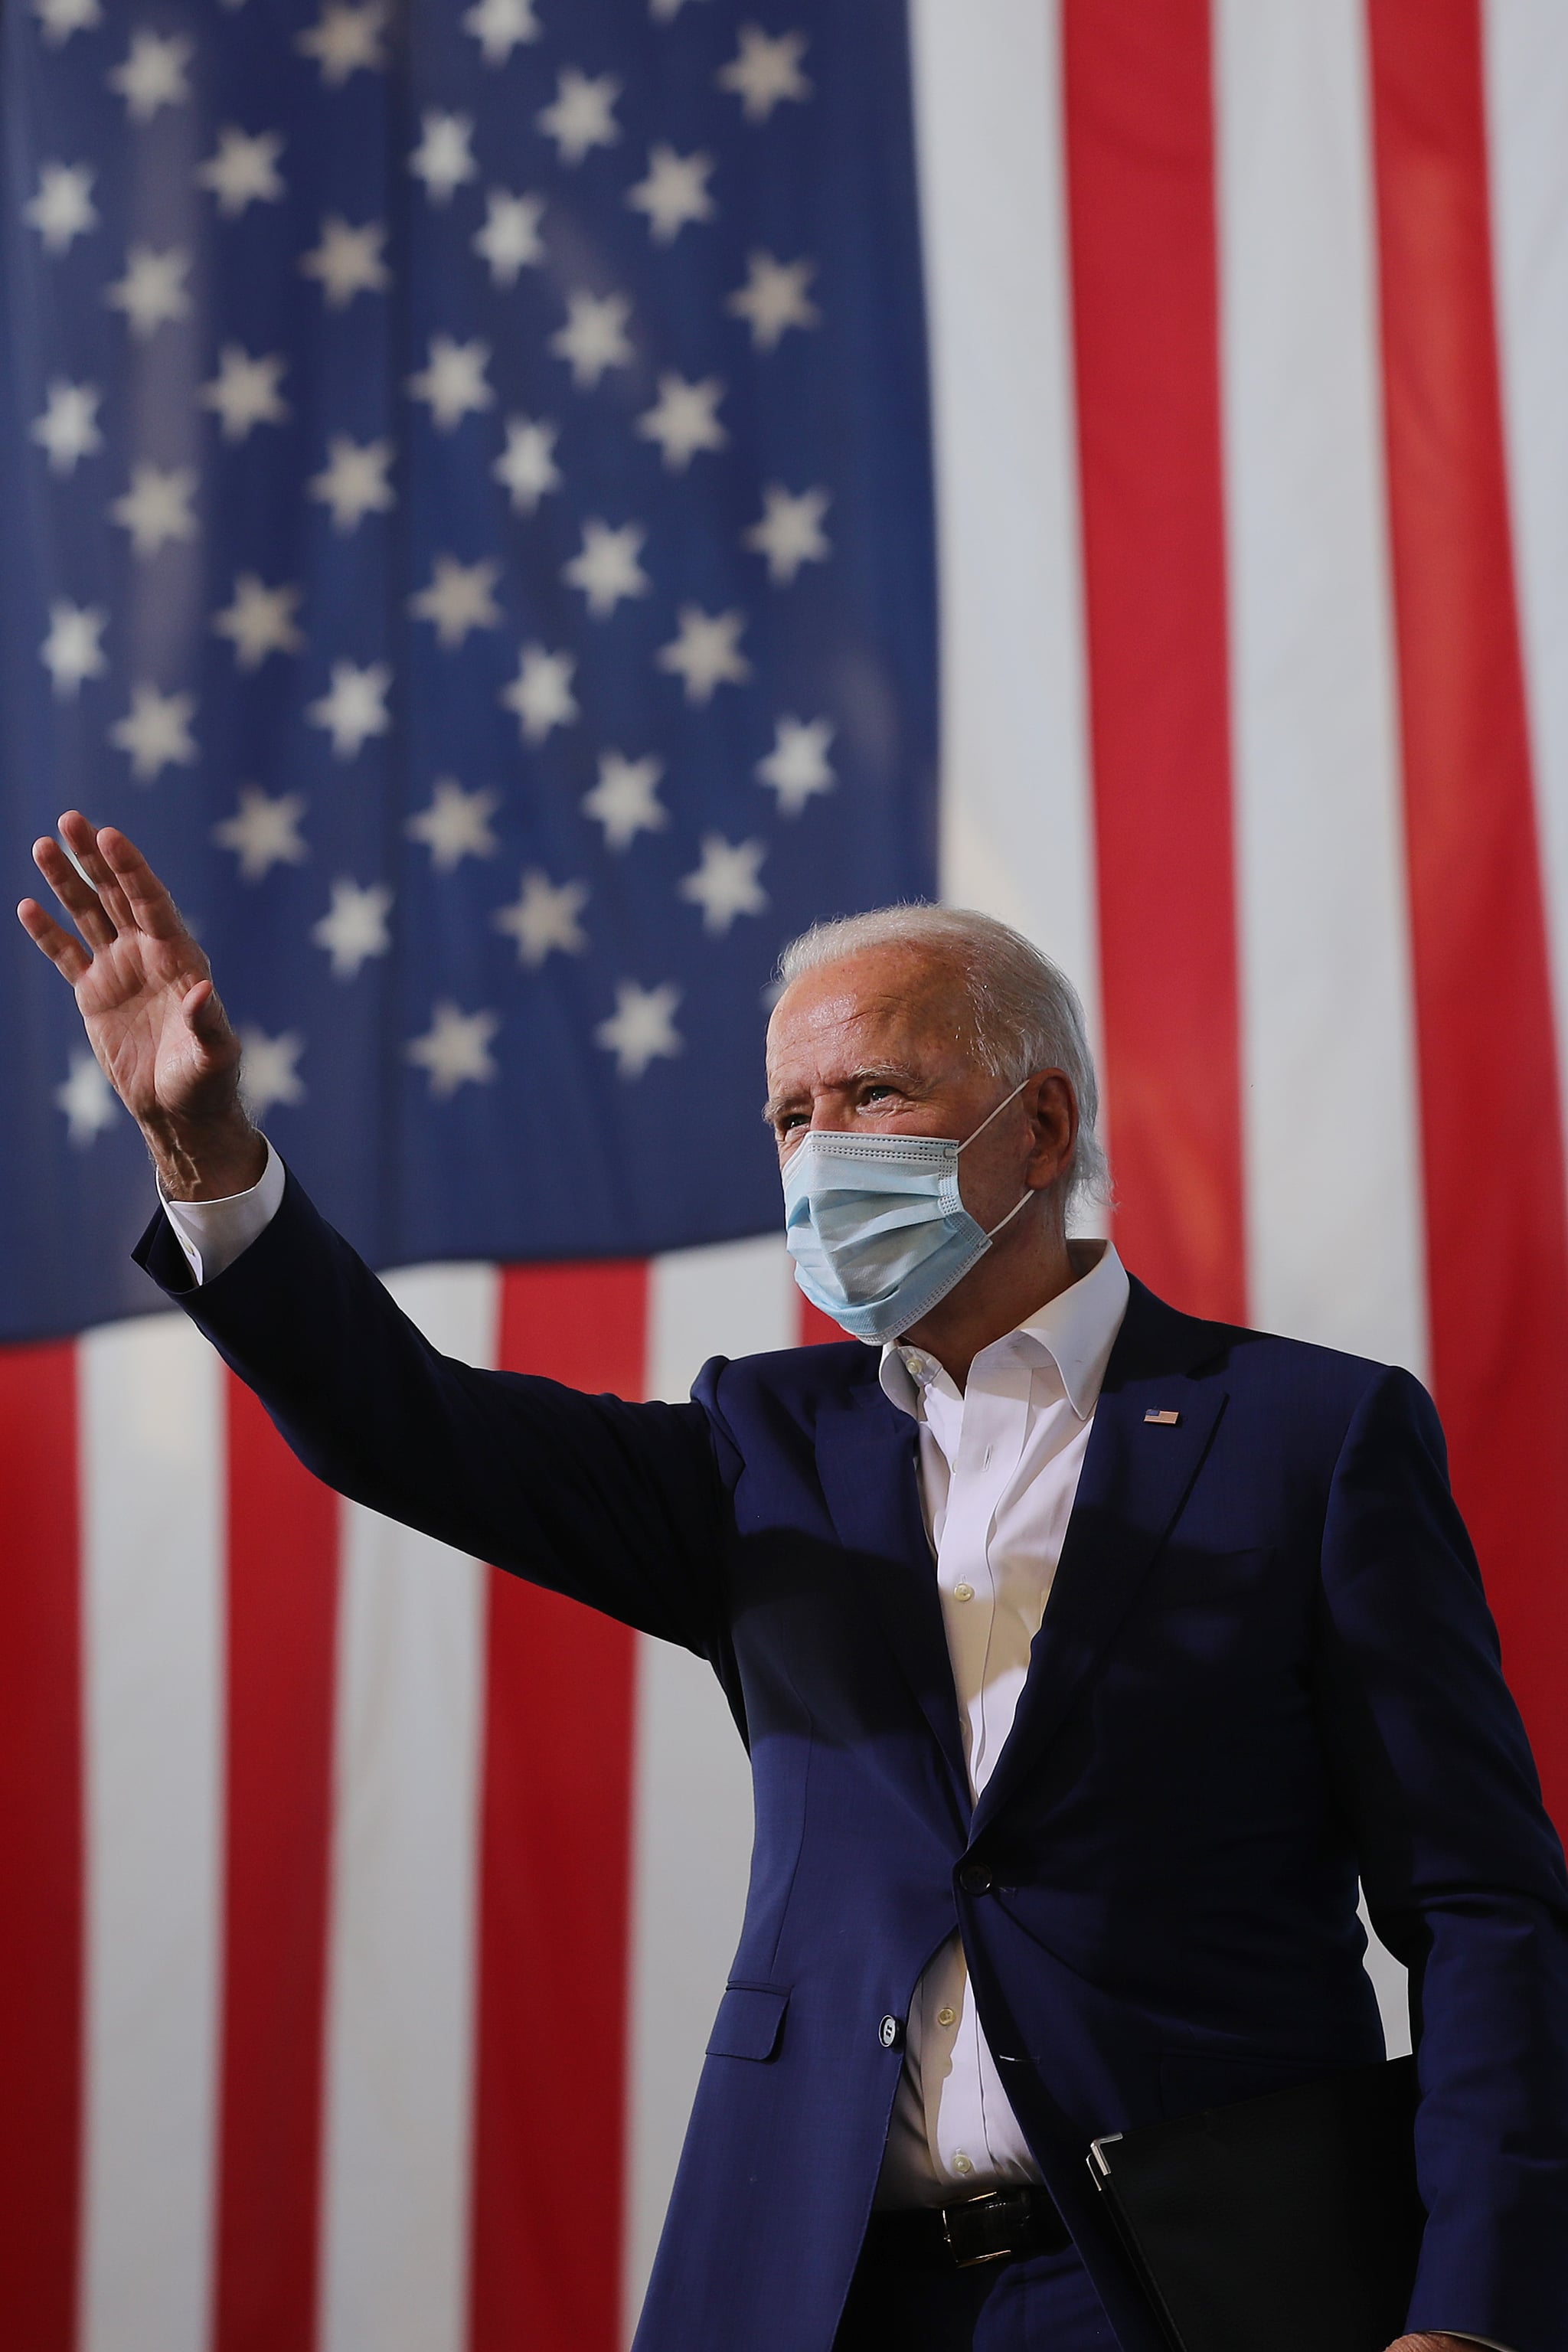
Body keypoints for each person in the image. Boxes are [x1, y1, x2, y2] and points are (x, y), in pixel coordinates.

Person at [18, 812, 1568, 2352]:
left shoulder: (1307, 1434)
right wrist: (206, 1152)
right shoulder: (762, 1444)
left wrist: (1477, 2309)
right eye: (787, 1116)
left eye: (871, 1095)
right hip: (823, 2286)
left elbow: (1482, 1906)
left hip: (1197, 2279)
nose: (818, 1153)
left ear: (1036, 1129)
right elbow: (406, 1427)